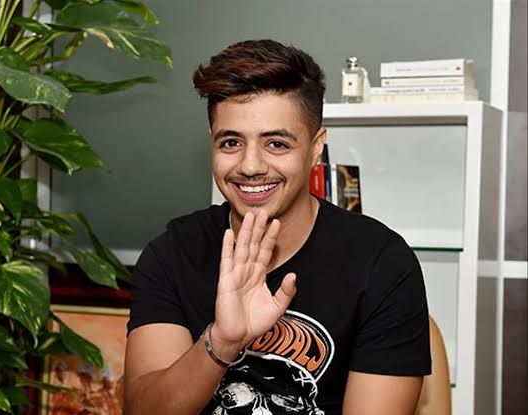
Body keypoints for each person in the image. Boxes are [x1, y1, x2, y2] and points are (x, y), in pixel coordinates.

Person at [123, 39, 431, 415]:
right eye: (231, 142)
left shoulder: (381, 262)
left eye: (277, 144)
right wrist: (221, 342)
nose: (250, 166)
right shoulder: (172, 253)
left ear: (316, 147)